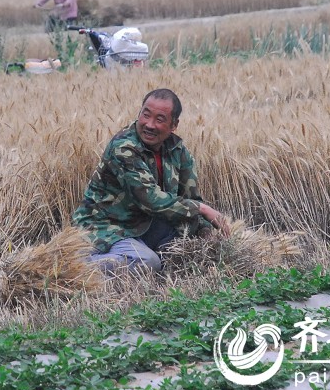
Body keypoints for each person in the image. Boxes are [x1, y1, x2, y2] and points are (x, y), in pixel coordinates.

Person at [73, 88, 231, 274]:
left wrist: (210, 235)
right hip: (107, 228)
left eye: (159, 119)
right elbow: (151, 200)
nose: (149, 124)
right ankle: (77, 269)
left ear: (174, 125)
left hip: (145, 227)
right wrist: (202, 209)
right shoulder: (124, 148)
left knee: (188, 256)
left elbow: (191, 198)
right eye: (145, 115)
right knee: (148, 263)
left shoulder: (178, 152)